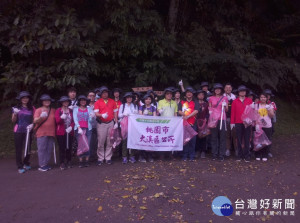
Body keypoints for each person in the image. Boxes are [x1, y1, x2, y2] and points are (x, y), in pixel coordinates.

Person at [94, 86, 118, 165]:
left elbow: (115, 112)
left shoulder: (112, 101)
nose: (105, 94)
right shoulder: (98, 102)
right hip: (101, 124)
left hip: (110, 123)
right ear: (101, 94)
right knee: (101, 141)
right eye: (103, 93)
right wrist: (101, 115)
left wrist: (116, 122)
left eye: (106, 92)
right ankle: (100, 158)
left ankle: (108, 157)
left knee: (109, 141)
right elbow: (96, 113)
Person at [12, 91, 35, 174]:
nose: (25, 99)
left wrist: (33, 124)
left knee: (28, 147)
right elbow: (13, 120)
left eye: (26, 97)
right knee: (19, 148)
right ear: (20, 99)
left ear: (29, 99)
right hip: (18, 130)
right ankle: (20, 166)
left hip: (28, 130)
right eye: (23, 98)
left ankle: (26, 162)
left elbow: (35, 118)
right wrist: (15, 113)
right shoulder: (16, 108)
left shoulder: (32, 108)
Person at [34, 94, 56, 171]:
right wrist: (41, 117)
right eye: (45, 100)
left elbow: (57, 120)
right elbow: (35, 121)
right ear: (42, 102)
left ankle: (45, 163)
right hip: (41, 132)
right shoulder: (38, 110)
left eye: (48, 100)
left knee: (49, 149)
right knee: (42, 149)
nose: (47, 102)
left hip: (51, 132)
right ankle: (41, 165)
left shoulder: (53, 110)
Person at [231, 85, 253, 162]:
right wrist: (232, 122)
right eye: (241, 91)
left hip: (247, 122)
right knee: (239, 139)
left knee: (247, 139)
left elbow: (251, 112)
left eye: (244, 91)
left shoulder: (249, 100)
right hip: (238, 122)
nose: (242, 92)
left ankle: (247, 155)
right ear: (238, 92)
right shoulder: (235, 101)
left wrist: (251, 120)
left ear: (246, 92)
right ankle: (239, 155)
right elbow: (233, 112)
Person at [73, 95, 95, 168]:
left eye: (84, 100)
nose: (83, 102)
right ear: (79, 101)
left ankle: (86, 160)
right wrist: (79, 128)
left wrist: (92, 117)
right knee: (80, 145)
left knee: (87, 144)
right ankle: (80, 161)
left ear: (86, 102)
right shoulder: (76, 109)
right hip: (79, 129)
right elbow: (75, 119)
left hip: (87, 129)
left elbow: (90, 120)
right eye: (81, 100)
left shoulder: (89, 109)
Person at [178, 87, 199, 161]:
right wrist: (184, 115)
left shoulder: (195, 102)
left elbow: (196, 111)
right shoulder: (182, 102)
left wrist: (188, 116)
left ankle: (191, 156)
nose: (189, 93)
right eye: (187, 92)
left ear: (192, 94)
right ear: (185, 94)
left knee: (193, 141)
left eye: (190, 92)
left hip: (193, 124)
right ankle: (184, 156)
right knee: (185, 140)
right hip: (184, 124)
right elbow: (179, 111)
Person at [208, 83, 228, 161]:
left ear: (221, 90)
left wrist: (225, 105)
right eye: (216, 89)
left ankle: (221, 154)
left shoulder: (224, 98)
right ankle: (214, 153)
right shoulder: (211, 98)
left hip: (222, 118)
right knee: (214, 137)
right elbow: (209, 107)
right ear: (214, 90)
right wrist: (210, 112)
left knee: (222, 137)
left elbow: (227, 110)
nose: (217, 90)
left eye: (219, 89)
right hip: (213, 119)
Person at [119, 92, 139, 164]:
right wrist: (124, 114)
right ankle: (124, 156)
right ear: (125, 99)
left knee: (132, 140)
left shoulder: (135, 106)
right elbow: (119, 115)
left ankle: (132, 156)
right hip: (124, 126)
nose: (129, 99)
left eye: (130, 97)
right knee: (124, 141)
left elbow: (137, 116)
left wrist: (136, 113)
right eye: (127, 97)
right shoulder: (122, 106)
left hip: (132, 125)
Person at [55, 96, 74, 170]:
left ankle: (69, 160)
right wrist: (61, 118)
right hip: (61, 132)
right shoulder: (58, 111)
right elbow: (57, 121)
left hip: (69, 131)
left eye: (67, 101)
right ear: (61, 103)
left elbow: (73, 121)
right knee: (62, 147)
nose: (66, 103)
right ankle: (62, 162)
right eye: (64, 101)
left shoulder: (71, 110)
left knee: (69, 146)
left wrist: (71, 127)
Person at [254, 92, 275, 161]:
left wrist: (268, 109)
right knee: (258, 141)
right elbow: (255, 116)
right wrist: (256, 124)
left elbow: (271, 116)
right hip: (259, 126)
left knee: (266, 141)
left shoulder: (270, 106)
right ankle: (258, 154)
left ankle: (265, 154)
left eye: (264, 97)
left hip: (267, 126)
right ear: (259, 98)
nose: (263, 98)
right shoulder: (257, 105)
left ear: (266, 98)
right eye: (261, 97)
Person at [138, 94, 157, 162]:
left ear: (151, 100)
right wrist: (144, 114)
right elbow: (139, 116)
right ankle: (142, 156)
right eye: (146, 99)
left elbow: (155, 117)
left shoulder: (153, 108)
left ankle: (150, 156)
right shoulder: (141, 107)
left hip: (150, 128)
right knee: (143, 141)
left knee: (150, 141)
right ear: (144, 100)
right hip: (143, 128)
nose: (148, 100)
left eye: (149, 99)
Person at [223, 83, 237, 157]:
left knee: (235, 135)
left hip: (234, 119)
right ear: (224, 89)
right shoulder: (222, 97)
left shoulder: (235, 98)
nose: (228, 89)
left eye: (229, 87)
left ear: (231, 89)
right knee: (227, 135)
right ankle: (227, 149)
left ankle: (236, 149)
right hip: (225, 118)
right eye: (226, 87)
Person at [195, 90, 209, 159]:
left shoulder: (206, 104)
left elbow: (208, 112)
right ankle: (197, 150)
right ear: (197, 96)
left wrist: (206, 118)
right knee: (197, 137)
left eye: (202, 95)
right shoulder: (195, 103)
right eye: (199, 95)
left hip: (204, 122)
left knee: (204, 136)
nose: (201, 96)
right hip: (196, 121)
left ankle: (203, 151)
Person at [263, 89, 277, 158]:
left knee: (269, 137)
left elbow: (273, 112)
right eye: (266, 95)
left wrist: (268, 107)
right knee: (260, 136)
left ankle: (268, 151)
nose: (267, 97)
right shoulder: (260, 103)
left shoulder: (272, 103)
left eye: (268, 95)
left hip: (270, 122)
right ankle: (260, 151)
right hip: (262, 121)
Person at [87, 90, 98, 161]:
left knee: (96, 141)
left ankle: (95, 155)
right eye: (90, 96)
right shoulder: (85, 105)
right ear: (87, 97)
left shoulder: (97, 104)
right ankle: (89, 156)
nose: (92, 97)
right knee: (89, 141)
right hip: (88, 126)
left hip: (97, 125)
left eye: (93, 96)